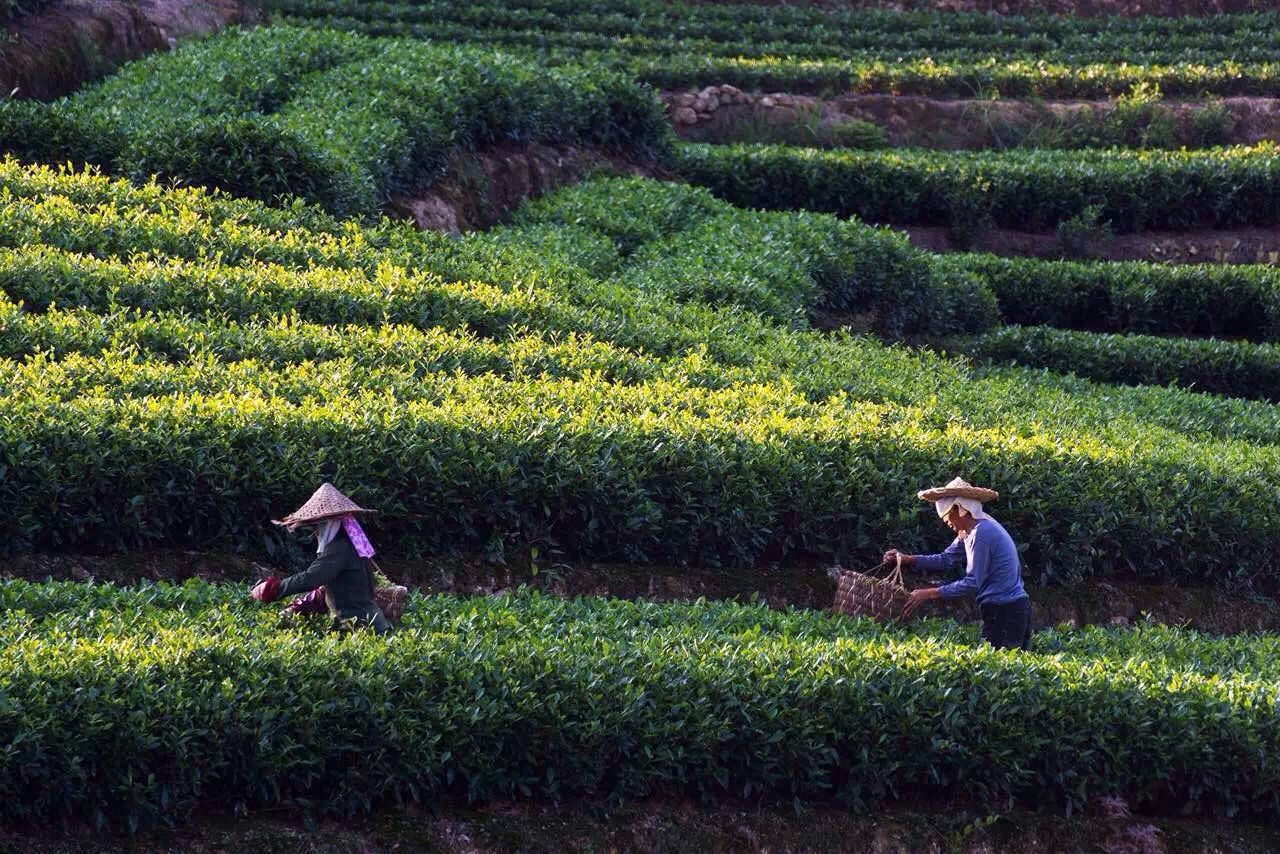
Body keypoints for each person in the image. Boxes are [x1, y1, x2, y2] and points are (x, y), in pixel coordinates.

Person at [883, 477, 1032, 651]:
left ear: (959, 508)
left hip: (1006, 611)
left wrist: (929, 593)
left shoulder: (981, 533)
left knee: (1004, 668)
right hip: (1009, 608)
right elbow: (946, 559)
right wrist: (907, 559)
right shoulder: (969, 532)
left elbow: (973, 582)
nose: (947, 522)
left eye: (948, 517)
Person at [249, 482, 393, 635]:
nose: (317, 532)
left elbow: (312, 578)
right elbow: (335, 587)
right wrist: (299, 606)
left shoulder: (340, 547)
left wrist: (273, 589)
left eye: (319, 526)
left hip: (362, 628)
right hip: (365, 625)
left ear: (330, 524)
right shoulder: (352, 545)